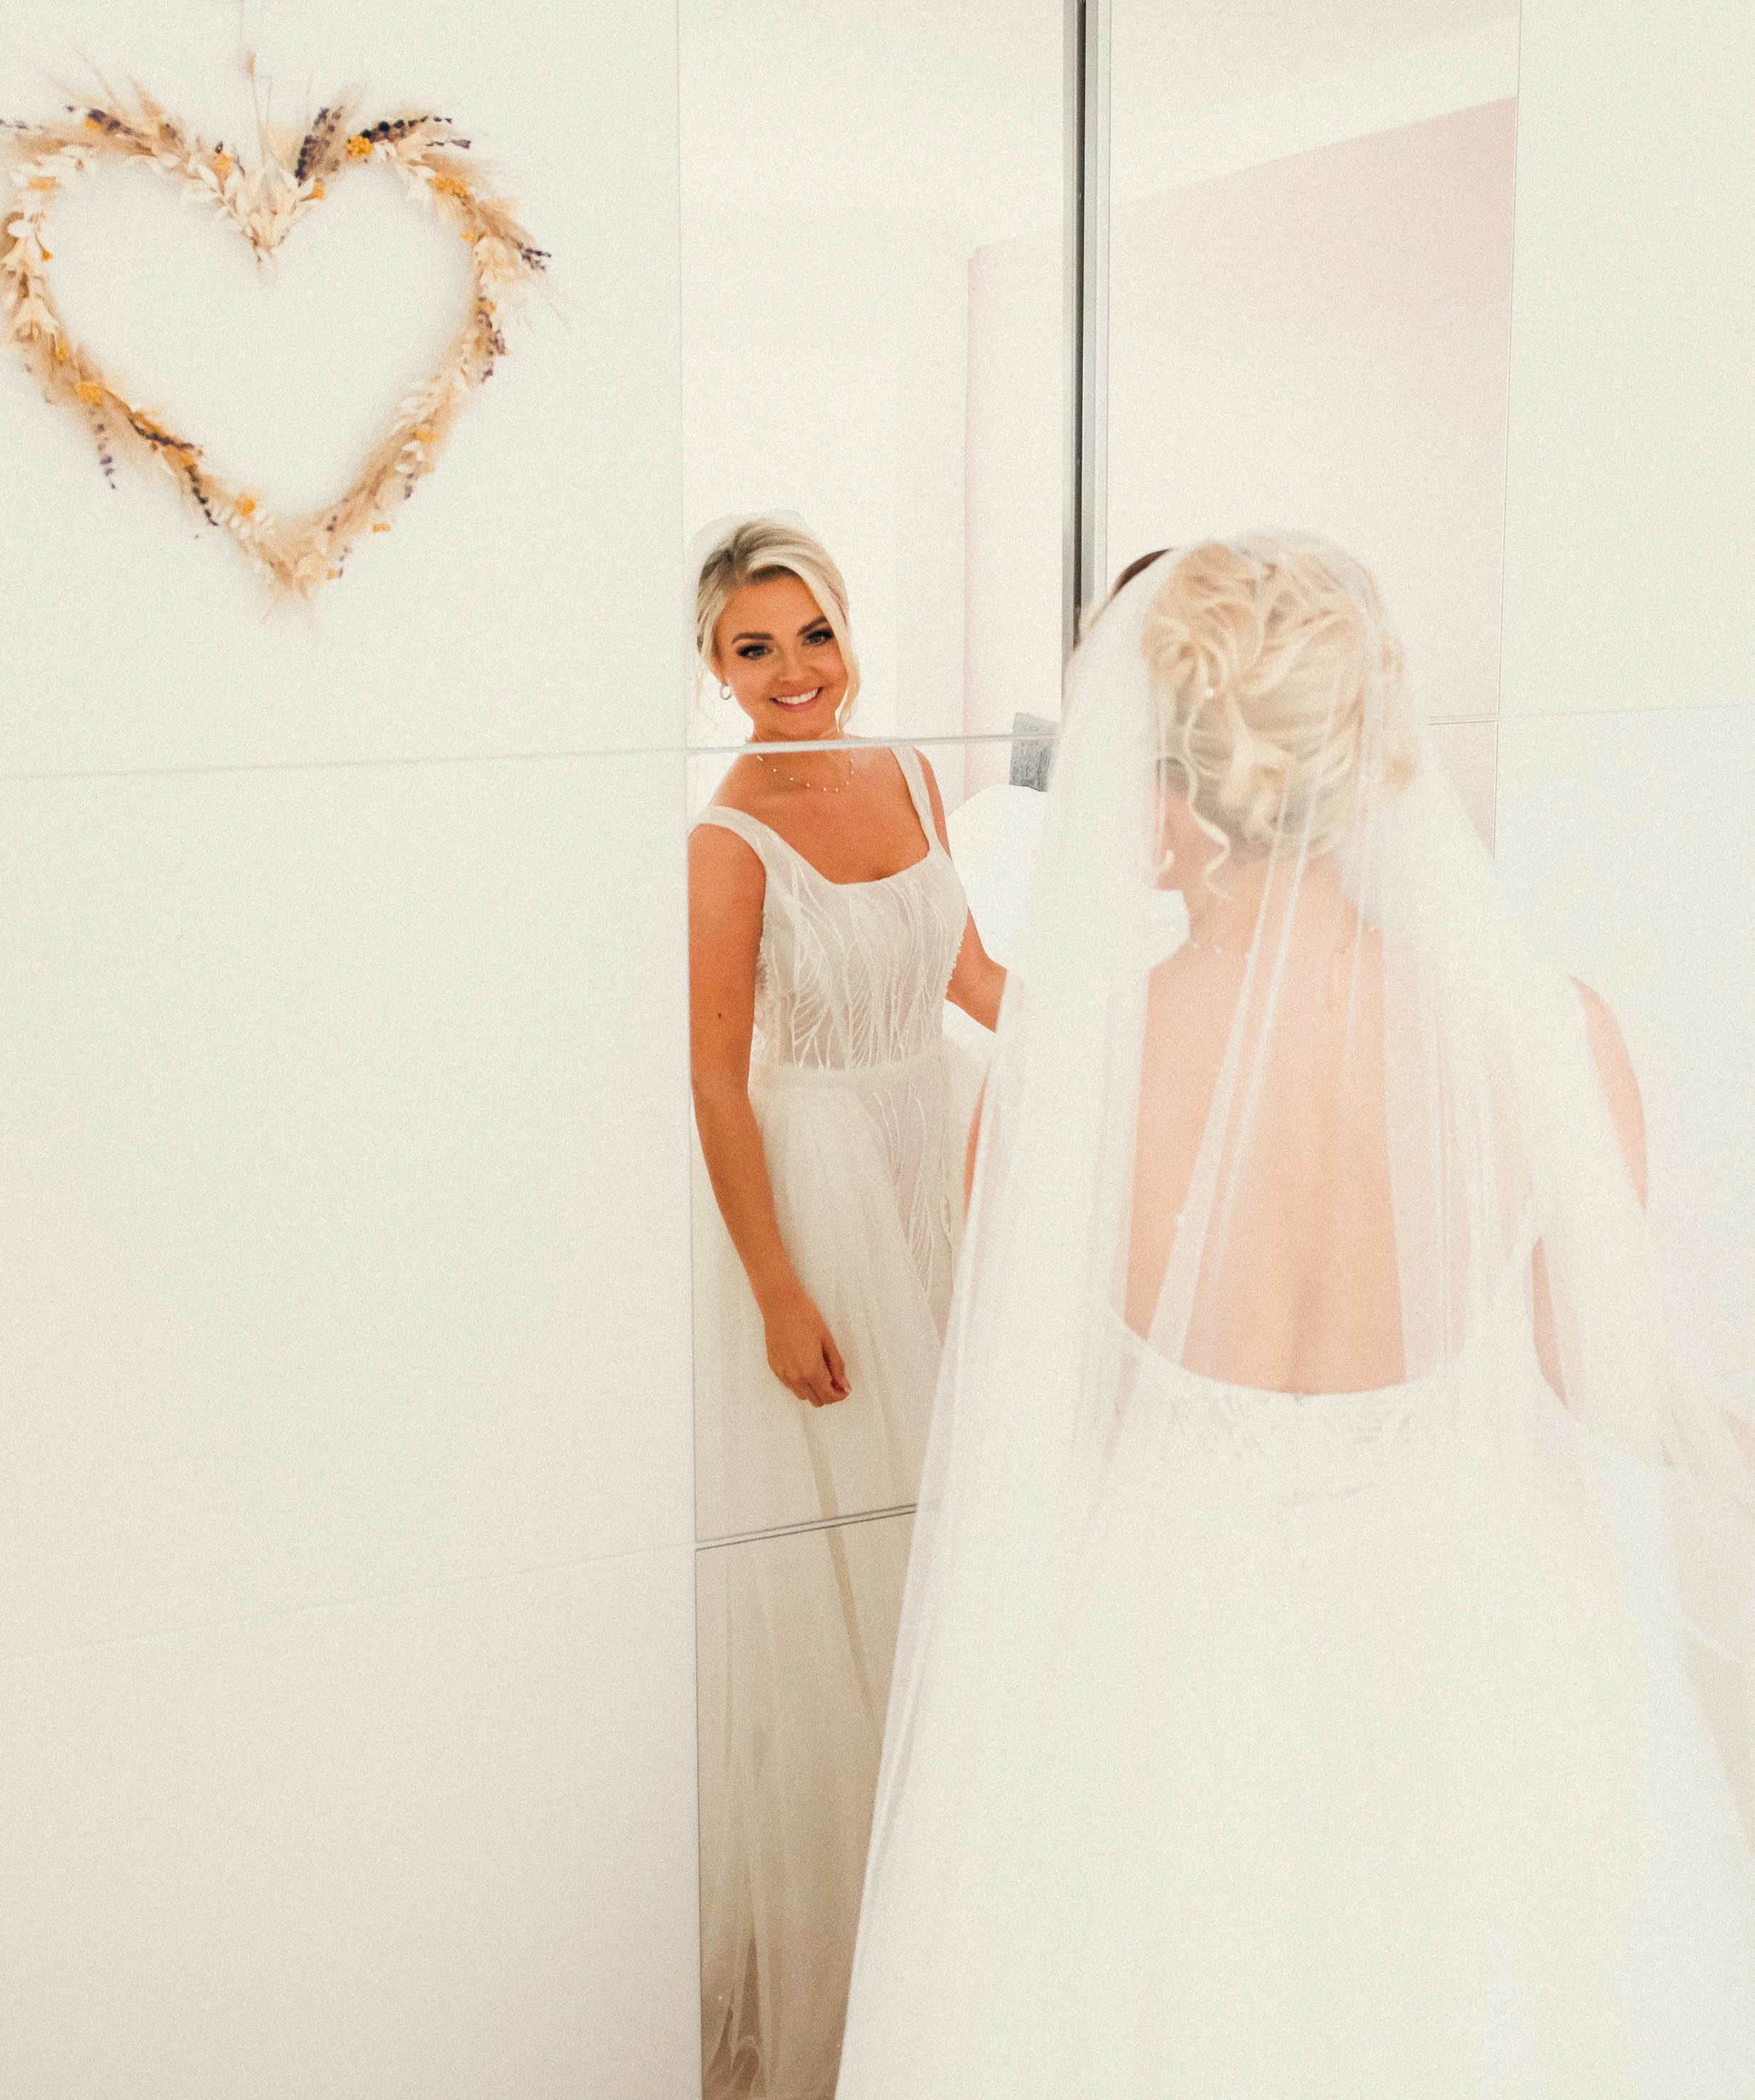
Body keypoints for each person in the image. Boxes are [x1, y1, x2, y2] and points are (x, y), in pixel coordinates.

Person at [837, 535, 1755, 2097]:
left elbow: (1028, 1431)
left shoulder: (1063, 1072)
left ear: (1173, 791)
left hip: (1166, 1644)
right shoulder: (1541, 1028)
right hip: (1482, 1647)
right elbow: (1604, 1390)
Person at [688, 513, 1004, 2100]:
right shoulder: (723, 838)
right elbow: (711, 1074)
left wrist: (1130, 1029)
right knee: (852, 1535)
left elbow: (969, 972)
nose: (794, 672)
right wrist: (773, 1286)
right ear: (712, 669)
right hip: (811, 1176)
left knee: (961, 1494)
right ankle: (861, 1892)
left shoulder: (910, 775)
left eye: (812, 634)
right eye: (755, 648)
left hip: (927, 1146)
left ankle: (959, 1856)